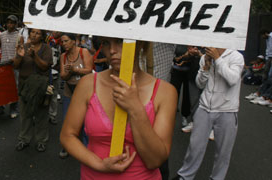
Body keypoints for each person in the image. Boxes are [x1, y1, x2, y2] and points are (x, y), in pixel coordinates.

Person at [60, 38, 178, 179]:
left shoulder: (164, 92)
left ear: (140, 44)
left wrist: (135, 109)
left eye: (121, 42)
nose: (112, 51)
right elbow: (67, 135)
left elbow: (155, 160)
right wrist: (100, 164)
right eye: (106, 43)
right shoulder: (88, 84)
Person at [173, 47, 244, 180]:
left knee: (223, 151)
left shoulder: (236, 56)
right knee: (195, 146)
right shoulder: (205, 57)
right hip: (205, 107)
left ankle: (217, 177)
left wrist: (218, 59)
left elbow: (233, 79)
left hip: (227, 110)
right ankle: (185, 175)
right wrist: (205, 67)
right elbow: (200, 84)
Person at [13, 28, 53, 152]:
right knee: (25, 114)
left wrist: (34, 56)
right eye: (33, 32)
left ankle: (41, 140)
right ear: (29, 33)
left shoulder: (46, 49)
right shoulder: (24, 46)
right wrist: (19, 57)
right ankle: (24, 139)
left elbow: (45, 66)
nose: (34, 35)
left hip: (40, 87)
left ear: (42, 36)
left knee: (41, 115)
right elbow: (15, 65)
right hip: (25, 86)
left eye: (38, 33)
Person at [59, 32, 93, 158]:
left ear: (74, 41)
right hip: (69, 90)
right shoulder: (63, 56)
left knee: (85, 120)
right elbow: (63, 76)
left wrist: (75, 70)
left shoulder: (83, 52)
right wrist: (69, 72)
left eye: (66, 41)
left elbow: (89, 70)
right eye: (62, 42)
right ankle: (67, 146)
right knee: (67, 118)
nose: (64, 44)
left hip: (84, 92)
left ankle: (86, 147)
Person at [0, 15, 23, 117]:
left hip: (14, 66)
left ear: (16, 24)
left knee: (14, 89)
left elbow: (21, 50)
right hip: (3, 64)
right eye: (8, 22)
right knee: (1, 87)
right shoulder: (2, 35)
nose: (10, 25)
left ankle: (14, 110)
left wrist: (16, 58)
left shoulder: (19, 36)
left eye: (12, 23)